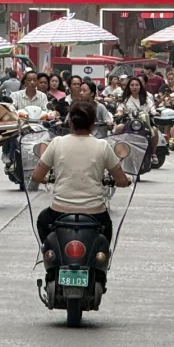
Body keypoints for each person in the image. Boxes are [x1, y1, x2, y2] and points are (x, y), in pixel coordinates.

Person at [29, 101, 130, 246]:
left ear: (70, 122)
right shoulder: (102, 146)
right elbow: (120, 178)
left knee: (42, 221)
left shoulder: (57, 143)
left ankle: (50, 257)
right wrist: (125, 181)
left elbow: (36, 176)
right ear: (93, 124)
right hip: (95, 213)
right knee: (104, 241)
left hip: (59, 212)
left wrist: (47, 179)